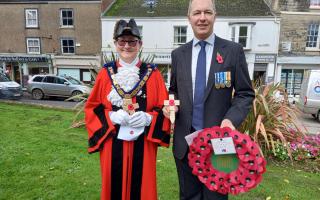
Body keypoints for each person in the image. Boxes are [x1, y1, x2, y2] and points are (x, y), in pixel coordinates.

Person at [163, 0, 255, 199]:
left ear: (215, 16)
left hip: (220, 144)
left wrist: (230, 120)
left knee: (216, 197)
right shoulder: (178, 54)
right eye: (197, 13)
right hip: (184, 145)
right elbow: (174, 90)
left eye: (207, 12)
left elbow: (245, 93)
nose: (202, 18)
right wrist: (171, 105)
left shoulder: (233, 51)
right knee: (188, 196)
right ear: (189, 18)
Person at [85, 18, 170, 200]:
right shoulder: (105, 74)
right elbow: (91, 108)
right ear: (115, 44)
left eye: (132, 41)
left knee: (143, 190)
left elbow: (166, 108)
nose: (127, 46)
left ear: (140, 44)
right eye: (122, 41)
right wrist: (112, 116)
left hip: (143, 146)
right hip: (112, 145)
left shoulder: (153, 75)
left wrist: (149, 119)